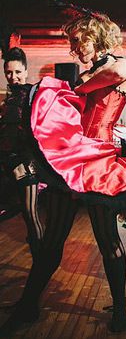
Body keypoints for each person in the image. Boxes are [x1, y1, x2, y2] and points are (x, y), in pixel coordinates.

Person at [0, 10, 126, 335]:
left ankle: (119, 311)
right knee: (52, 243)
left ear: (98, 36)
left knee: (108, 241)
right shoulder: (91, 71)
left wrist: (58, 89)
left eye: (79, 41)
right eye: (72, 43)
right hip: (75, 160)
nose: (74, 49)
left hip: (99, 163)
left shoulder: (119, 66)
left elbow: (84, 90)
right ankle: (27, 306)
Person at [0, 47, 44, 258]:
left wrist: (30, 162)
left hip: (26, 164)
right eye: (9, 73)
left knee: (30, 215)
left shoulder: (33, 95)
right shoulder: (7, 99)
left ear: (26, 71)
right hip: (8, 163)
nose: (13, 77)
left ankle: (41, 261)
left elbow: (40, 132)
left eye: (18, 72)